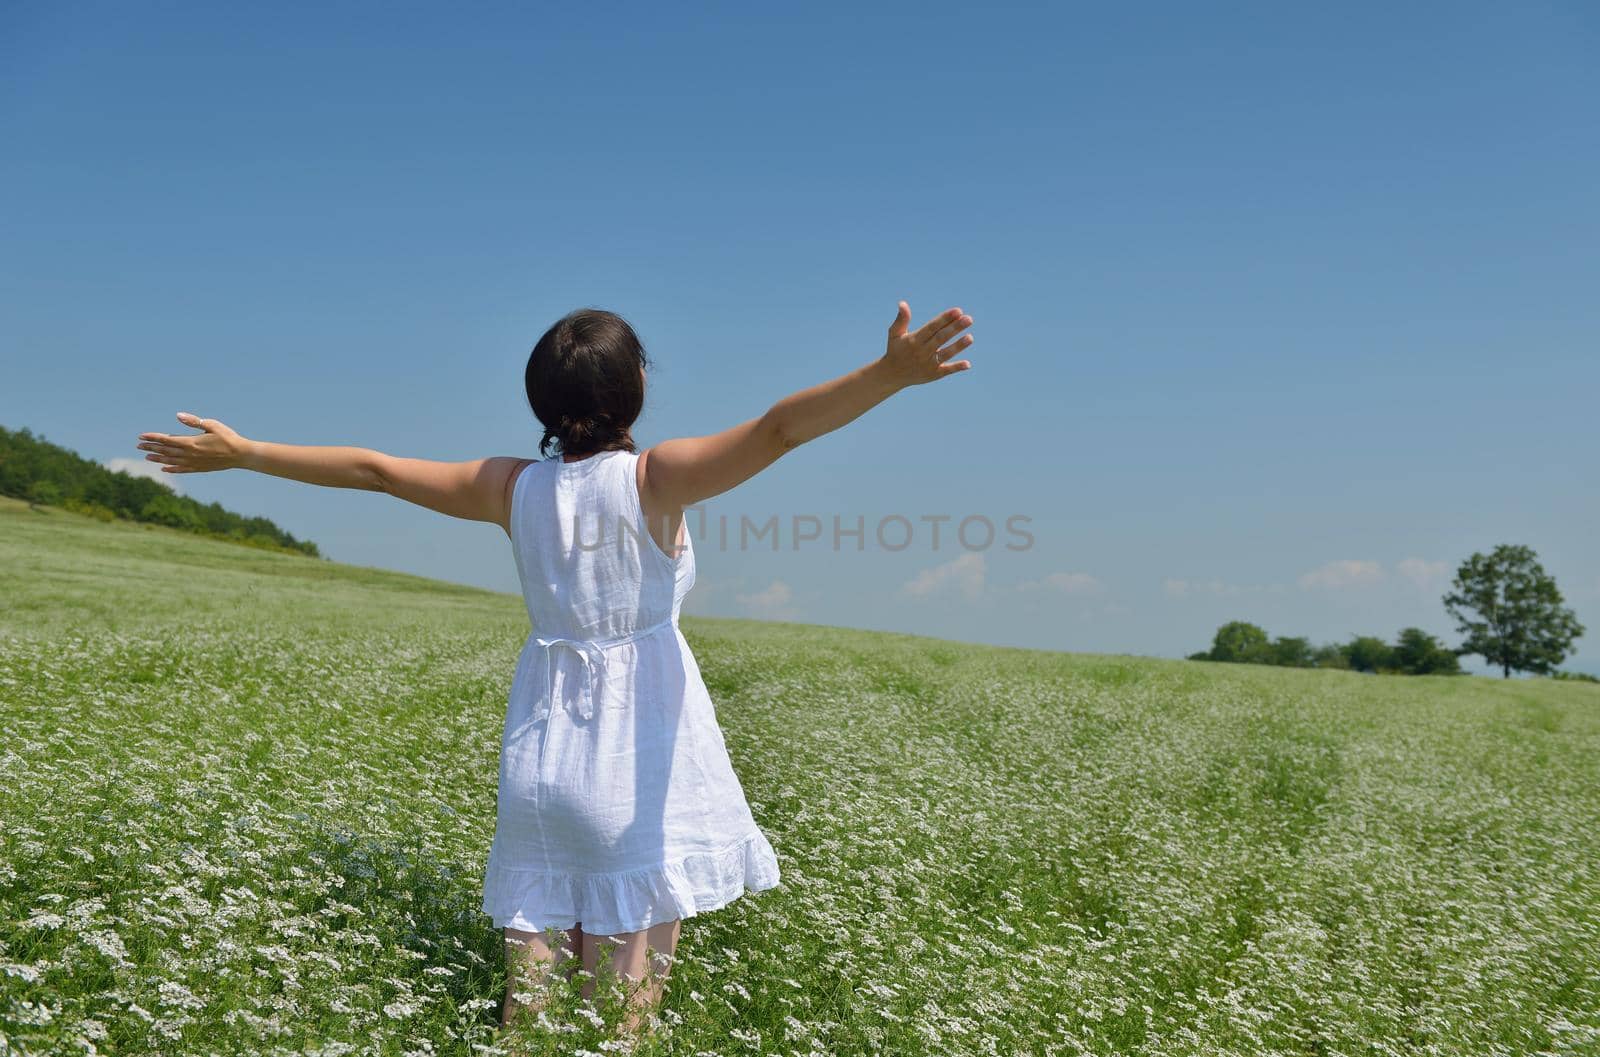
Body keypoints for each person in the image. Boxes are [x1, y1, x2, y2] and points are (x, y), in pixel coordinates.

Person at [133, 299, 976, 1041]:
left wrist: (247, 453)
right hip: (635, 768)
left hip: (541, 760)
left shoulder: (513, 488)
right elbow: (778, 430)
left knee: (528, 1024)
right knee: (621, 1026)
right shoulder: (655, 478)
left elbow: (377, 471)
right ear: (635, 389)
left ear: (544, 402)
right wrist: (889, 374)